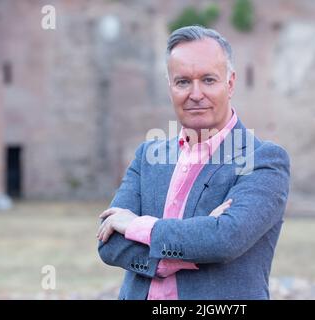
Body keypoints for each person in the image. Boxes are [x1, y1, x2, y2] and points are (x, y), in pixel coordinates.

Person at [97, 25, 290, 300]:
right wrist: (189, 247)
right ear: (170, 87)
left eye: (209, 80)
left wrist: (137, 227)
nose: (195, 93)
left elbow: (224, 240)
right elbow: (110, 245)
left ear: (231, 83)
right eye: (183, 81)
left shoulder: (263, 159)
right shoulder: (148, 157)